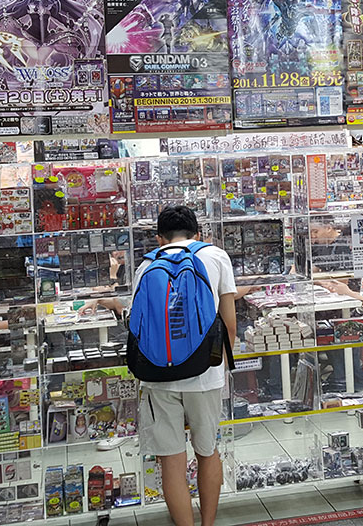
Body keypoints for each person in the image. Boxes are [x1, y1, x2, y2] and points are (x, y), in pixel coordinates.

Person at [86, 206, 236, 526]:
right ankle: (208, 523)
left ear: (159, 237)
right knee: (208, 452)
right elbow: (230, 323)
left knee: (171, 461)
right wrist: (219, 368)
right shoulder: (216, 256)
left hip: (158, 375)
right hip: (205, 374)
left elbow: (138, 324)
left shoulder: (146, 265)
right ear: (198, 233)